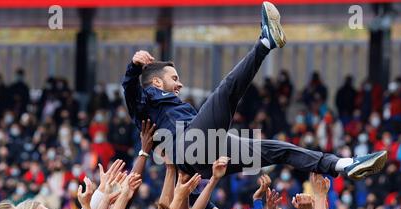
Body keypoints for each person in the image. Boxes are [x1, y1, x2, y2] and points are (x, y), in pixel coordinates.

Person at [122, 2, 387, 190]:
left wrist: (211, 208)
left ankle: (343, 165)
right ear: (156, 81)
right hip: (188, 146)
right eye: (174, 79)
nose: (179, 85)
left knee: (277, 150)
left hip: (207, 150)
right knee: (227, 90)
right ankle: (265, 42)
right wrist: (134, 66)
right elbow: (130, 90)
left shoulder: (175, 106)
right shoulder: (146, 101)